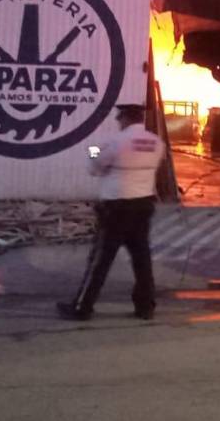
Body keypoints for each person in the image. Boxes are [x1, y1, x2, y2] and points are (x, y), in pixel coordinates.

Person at [58, 104, 165, 321]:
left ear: (124, 119)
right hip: (143, 206)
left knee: (100, 261)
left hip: (116, 209)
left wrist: (93, 150)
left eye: (119, 119)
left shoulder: (116, 142)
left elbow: (94, 168)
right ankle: (145, 307)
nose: (118, 123)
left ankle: (82, 307)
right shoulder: (156, 143)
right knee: (142, 260)